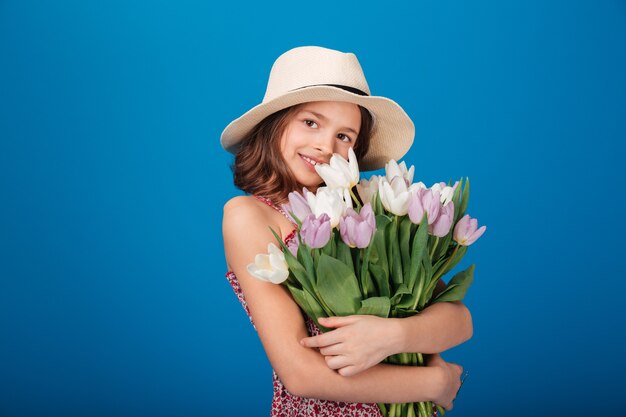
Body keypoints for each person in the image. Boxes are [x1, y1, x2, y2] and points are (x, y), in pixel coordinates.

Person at [221, 46, 473, 417]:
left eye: (345, 136)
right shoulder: (249, 216)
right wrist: (435, 383)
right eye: (310, 122)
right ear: (276, 123)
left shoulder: (367, 216)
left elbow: (459, 322)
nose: (325, 146)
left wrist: (392, 336)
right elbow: (300, 374)